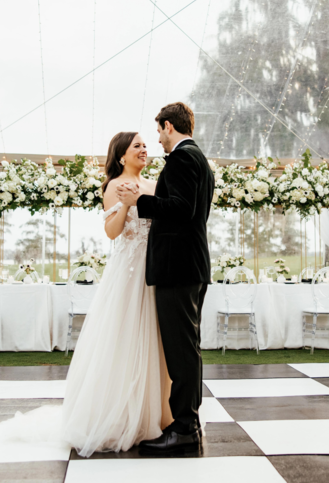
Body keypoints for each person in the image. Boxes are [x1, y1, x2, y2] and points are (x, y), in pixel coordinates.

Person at [1, 131, 172, 457]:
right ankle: (119, 414)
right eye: (137, 146)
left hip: (155, 272)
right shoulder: (113, 186)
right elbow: (111, 232)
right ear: (122, 155)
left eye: (145, 145)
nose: (144, 150)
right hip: (129, 273)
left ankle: (157, 414)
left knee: (155, 343)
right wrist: (124, 202)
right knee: (123, 339)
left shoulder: (155, 184)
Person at [116, 102, 214, 452]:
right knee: (186, 348)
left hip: (179, 267)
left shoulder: (184, 158)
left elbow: (181, 209)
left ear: (169, 126)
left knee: (181, 350)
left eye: (158, 131)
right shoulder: (197, 158)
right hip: (188, 266)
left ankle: (184, 427)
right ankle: (189, 423)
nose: (157, 139)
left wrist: (141, 198)